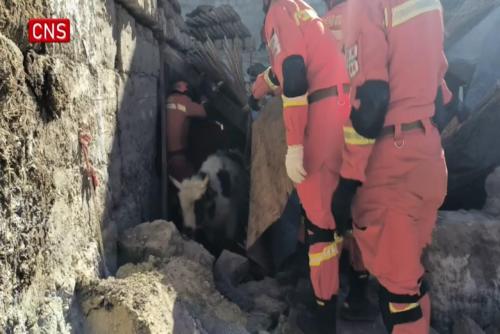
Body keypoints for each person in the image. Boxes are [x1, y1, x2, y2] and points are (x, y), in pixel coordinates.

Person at [331, 0, 450, 333]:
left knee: (397, 295)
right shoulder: (429, 5)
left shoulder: (363, 6)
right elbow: (442, 94)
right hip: (428, 154)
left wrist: (348, 181)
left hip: (390, 164)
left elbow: (371, 100)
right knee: (410, 278)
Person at [260, 0, 351, 332]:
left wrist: (295, 145)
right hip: (346, 111)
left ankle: (323, 312)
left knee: (319, 225)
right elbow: (294, 66)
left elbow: (295, 74)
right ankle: (356, 294)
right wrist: (262, 83)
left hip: (321, 120)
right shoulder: (305, 11)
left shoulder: (278, 11)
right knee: (341, 212)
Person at [322, 0, 379, 323]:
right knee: (361, 219)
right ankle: (357, 294)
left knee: (326, 218)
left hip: (333, 137)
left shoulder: (326, 24)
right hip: (369, 136)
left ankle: (323, 296)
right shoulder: (373, 19)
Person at [166, 80, 208, 182]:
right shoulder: (182, 100)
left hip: (167, 156)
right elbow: (203, 112)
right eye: (186, 87)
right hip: (178, 159)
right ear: (179, 88)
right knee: (196, 188)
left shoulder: (168, 100)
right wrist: (204, 98)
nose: (188, 89)